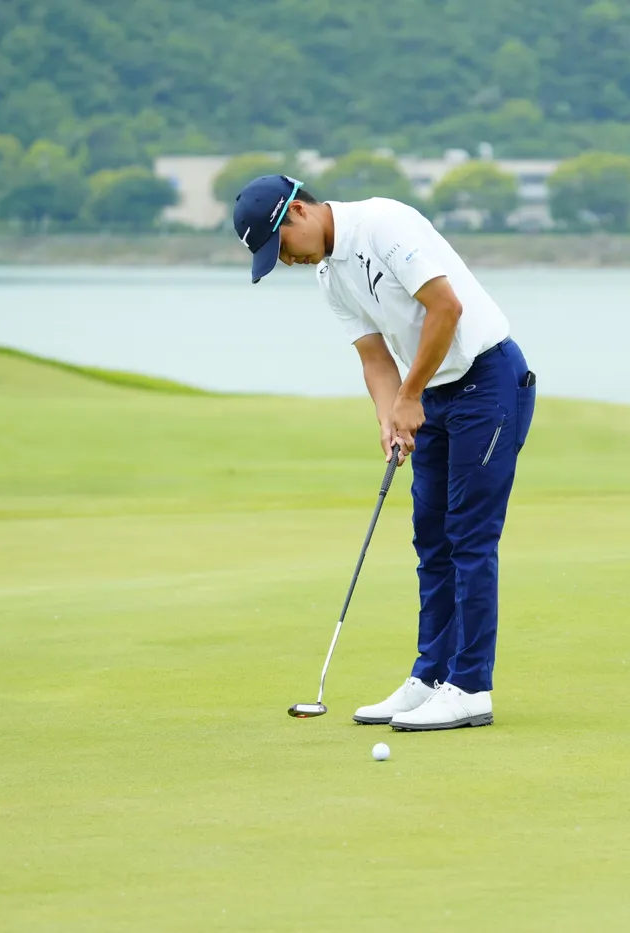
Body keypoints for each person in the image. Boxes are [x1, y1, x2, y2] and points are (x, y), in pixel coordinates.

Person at [232, 174, 536, 732]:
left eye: (283, 248)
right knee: (431, 539)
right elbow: (374, 357)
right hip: (434, 392)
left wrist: (409, 395)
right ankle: (431, 677)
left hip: (487, 381)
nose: (289, 261)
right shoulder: (330, 277)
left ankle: (470, 687)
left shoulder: (382, 223)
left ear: (298, 212)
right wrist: (390, 416)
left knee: (469, 538)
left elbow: (445, 308)